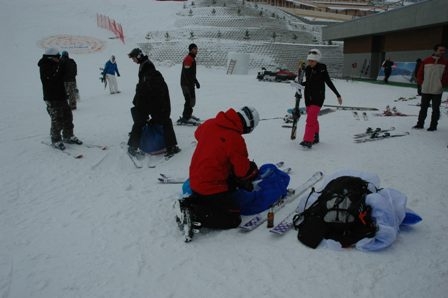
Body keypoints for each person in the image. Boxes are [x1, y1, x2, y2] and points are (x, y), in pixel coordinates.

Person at [177, 107, 260, 230]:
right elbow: (242, 172)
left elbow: (197, 134)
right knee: (233, 218)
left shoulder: (210, 123)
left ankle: (191, 203)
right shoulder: (235, 139)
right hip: (211, 186)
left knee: (220, 185)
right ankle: (194, 214)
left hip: (195, 179)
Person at [127, 48, 180, 158]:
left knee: (149, 121)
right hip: (150, 100)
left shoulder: (147, 67)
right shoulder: (146, 66)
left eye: (133, 58)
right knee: (155, 121)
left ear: (138, 56)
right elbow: (145, 86)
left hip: (149, 99)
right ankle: (171, 147)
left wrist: (141, 101)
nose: (133, 61)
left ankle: (134, 146)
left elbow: (147, 86)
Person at [38, 48, 82, 150]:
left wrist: (68, 65)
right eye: (58, 57)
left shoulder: (57, 65)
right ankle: (56, 139)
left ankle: (68, 135)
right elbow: (52, 77)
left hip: (61, 95)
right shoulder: (45, 66)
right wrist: (60, 66)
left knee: (68, 116)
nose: (59, 59)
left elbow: (67, 75)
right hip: (52, 97)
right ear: (51, 58)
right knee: (57, 119)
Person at [300, 49, 342, 149]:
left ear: (317, 60)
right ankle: (315, 136)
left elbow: (328, 82)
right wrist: (300, 84)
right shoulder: (308, 69)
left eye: (312, 61)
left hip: (318, 97)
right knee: (313, 118)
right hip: (308, 97)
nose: (310, 63)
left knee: (310, 119)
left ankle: (308, 140)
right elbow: (309, 82)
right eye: (309, 61)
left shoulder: (322, 69)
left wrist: (338, 95)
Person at [413, 44, 448, 131]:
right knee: (423, 108)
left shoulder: (445, 62)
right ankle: (420, 124)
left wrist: (441, 84)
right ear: (435, 50)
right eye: (441, 50)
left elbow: (446, 76)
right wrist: (422, 83)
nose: (442, 52)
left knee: (435, 109)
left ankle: (433, 126)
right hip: (426, 89)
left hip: (437, 90)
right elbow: (420, 74)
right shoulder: (426, 61)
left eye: (444, 50)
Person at [178, 43, 200, 124]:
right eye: (195, 49)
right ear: (191, 50)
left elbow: (191, 74)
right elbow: (186, 74)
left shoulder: (192, 59)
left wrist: (195, 81)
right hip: (186, 84)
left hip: (189, 83)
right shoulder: (188, 59)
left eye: (197, 49)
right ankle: (186, 117)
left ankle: (188, 114)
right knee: (189, 100)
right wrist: (190, 85)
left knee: (191, 100)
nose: (196, 50)